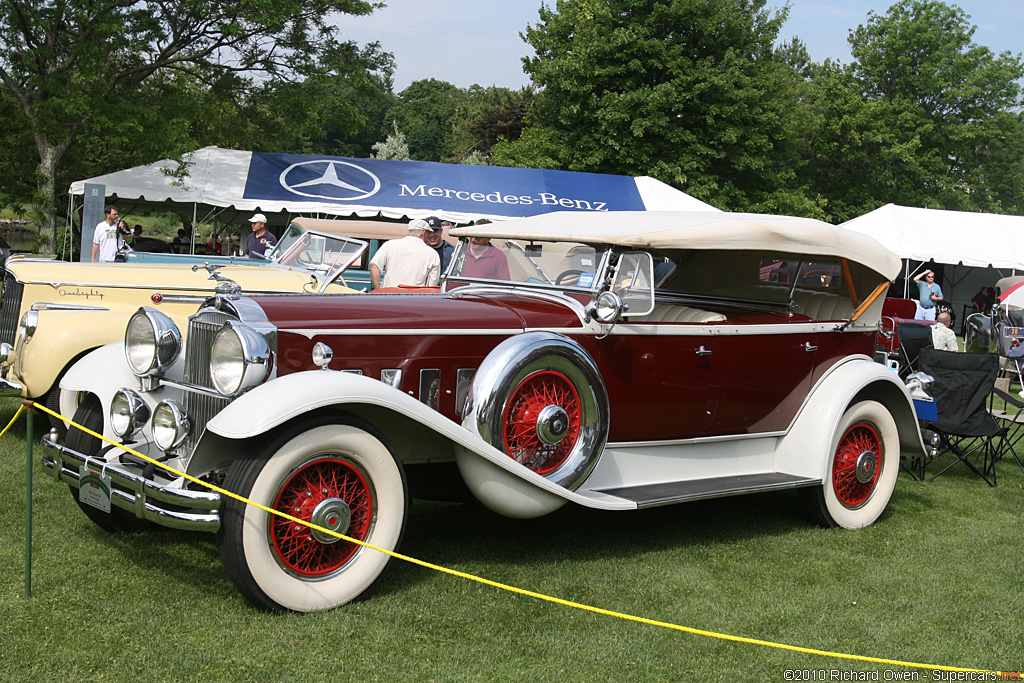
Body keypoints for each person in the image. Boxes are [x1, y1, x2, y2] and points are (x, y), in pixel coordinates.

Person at [369, 218, 440, 289]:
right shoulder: (432, 253)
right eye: (428, 233)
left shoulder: (390, 245)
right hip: (414, 297)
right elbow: (432, 283)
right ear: (424, 233)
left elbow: (374, 265)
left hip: (389, 294)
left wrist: (377, 289)